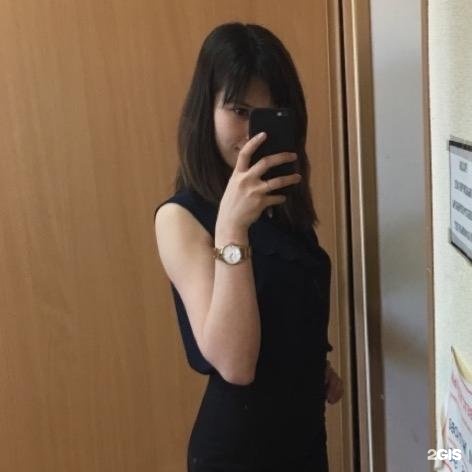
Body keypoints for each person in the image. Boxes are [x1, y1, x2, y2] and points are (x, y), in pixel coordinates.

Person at [153, 22, 343, 472]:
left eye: (271, 113)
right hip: (239, 453)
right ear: (206, 110)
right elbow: (236, 365)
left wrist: (314, 363)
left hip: (304, 436)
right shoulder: (180, 219)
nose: (251, 133)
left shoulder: (282, 204)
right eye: (238, 110)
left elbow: (288, 300)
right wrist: (232, 228)